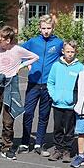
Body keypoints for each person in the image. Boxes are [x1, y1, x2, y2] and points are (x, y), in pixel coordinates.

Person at [0, 26, 38, 160]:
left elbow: (34, 57)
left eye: (0, 40)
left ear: (8, 40)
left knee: (8, 119)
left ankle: (7, 147)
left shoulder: (17, 50)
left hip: (11, 85)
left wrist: (20, 66)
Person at [18, 15, 63, 155]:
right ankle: (25, 142)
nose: (46, 31)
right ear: (39, 28)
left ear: (53, 28)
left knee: (44, 115)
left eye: (48, 28)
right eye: (43, 28)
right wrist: (26, 64)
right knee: (28, 113)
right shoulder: (33, 42)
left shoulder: (59, 43)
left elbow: (66, 55)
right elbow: (18, 52)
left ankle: (39, 143)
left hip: (49, 85)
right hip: (33, 83)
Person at [46, 41, 83, 162]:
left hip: (71, 105)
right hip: (57, 104)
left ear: (75, 52)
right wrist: (54, 96)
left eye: (72, 52)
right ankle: (58, 149)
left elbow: (82, 86)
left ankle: (67, 150)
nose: (70, 54)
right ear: (63, 51)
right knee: (57, 128)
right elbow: (50, 82)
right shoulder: (56, 66)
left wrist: (75, 99)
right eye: (68, 51)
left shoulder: (80, 67)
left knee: (69, 129)